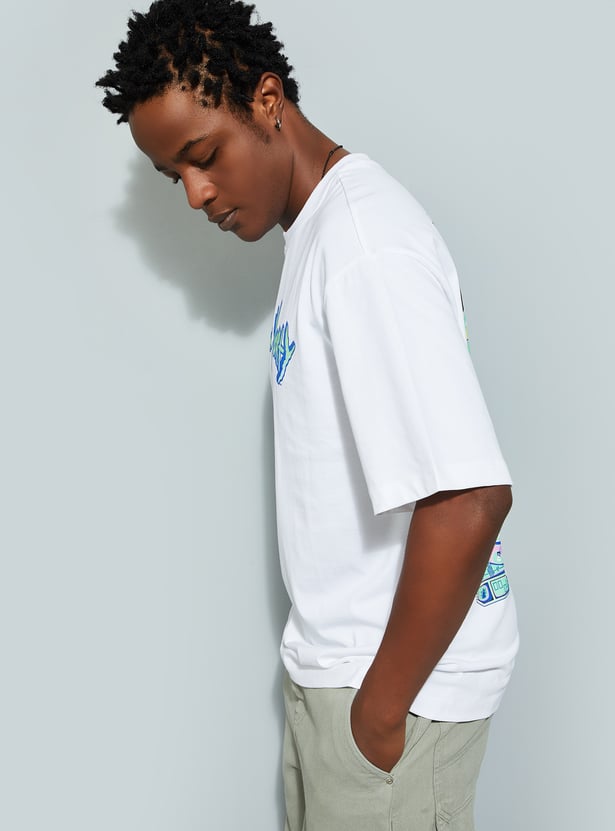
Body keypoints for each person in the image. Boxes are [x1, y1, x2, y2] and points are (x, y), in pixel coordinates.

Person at [97, 2, 518, 828]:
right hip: (343, 678)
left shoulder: (363, 244)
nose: (195, 194)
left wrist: (375, 720)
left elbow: (470, 498)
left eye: (202, 156)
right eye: (174, 176)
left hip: (390, 702)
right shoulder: (318, 236)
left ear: (266, 101)